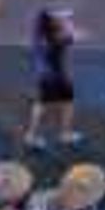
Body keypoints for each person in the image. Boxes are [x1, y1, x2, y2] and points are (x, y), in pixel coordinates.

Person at [25, 8, 80, 150]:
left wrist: (59, 16)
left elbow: (47, 18)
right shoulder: (58, 39)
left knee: (40, 105)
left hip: (42, 76)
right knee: (68, 102)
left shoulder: (37, 35)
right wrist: (67, 20)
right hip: (57, 77)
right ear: (50, 24)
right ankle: (65, 134)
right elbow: (74, 35)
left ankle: (31, 136)